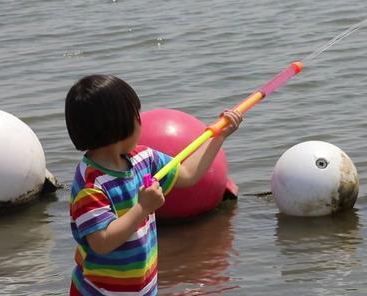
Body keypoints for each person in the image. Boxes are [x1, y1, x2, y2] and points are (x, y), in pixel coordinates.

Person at [65, 74, 242, 296]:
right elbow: (101, 242)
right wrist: (143, 208)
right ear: (121, 123)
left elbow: (188, 174)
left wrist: (219, 137)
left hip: (142, 288)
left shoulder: (143, 158)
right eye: (136, 114)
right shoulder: (91, 185)